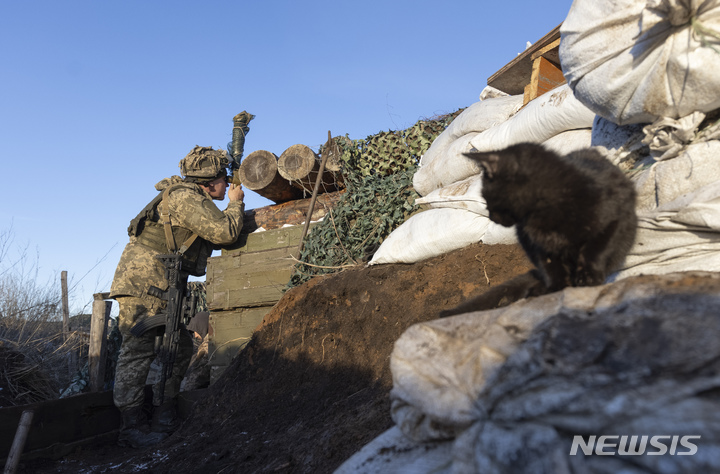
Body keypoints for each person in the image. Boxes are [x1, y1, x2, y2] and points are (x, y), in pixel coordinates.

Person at [110, 145, 244, 448]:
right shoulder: (186, 197)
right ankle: (130, 427)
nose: (229, 186)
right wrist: (235, 204)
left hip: (162, 282)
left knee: (180, 347)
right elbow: (224, 232)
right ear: (208, 182)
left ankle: (164, 413)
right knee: (137, 351)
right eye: (225, 180)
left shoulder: (191, 195)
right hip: (143, 283)